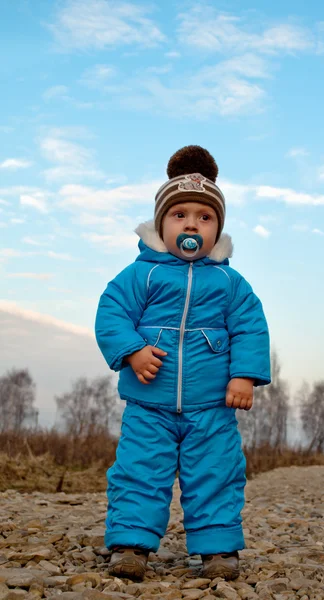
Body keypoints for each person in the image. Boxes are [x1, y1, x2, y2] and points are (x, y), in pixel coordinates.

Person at [95, 145, 271, 581]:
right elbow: (112, 312)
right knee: (139, 470)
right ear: (161, 224)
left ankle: (217, 550)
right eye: (180, 215)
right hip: (148, 406)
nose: (192, 223)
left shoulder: (230, 282)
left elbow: (251, 328)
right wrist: (132, 350)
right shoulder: (141, 274)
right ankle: (131, 545)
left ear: (216, 231)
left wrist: (244, 376)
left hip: (212, 407)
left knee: (215, 472)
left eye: (204, 217)